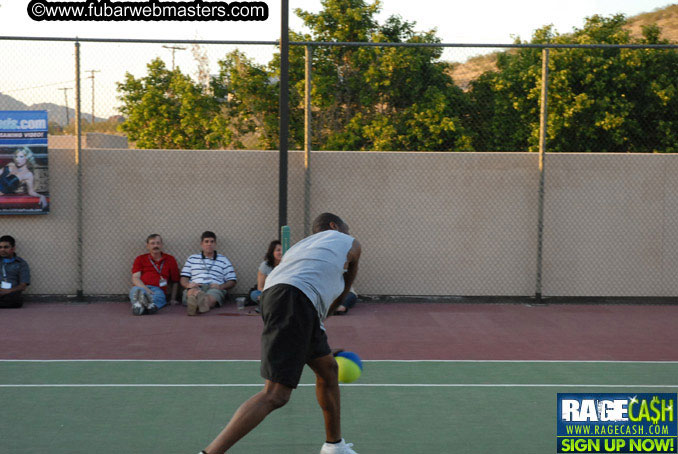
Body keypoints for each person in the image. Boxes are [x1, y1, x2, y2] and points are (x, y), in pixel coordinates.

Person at [198, 213, 362, 454]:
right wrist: (343, 290)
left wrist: (314, 343)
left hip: (286, 298)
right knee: (276, 394)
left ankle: (334, 446)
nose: (348, 233)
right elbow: (348, 276)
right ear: (333, 226)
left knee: (328, 369)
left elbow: (306, 293)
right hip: (293, 300)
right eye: (345, 228)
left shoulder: (303, 248)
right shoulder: (346, 240)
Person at [181, 231, 237, 316]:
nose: (209, 244)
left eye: (212, 242)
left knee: (211, 295)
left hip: (214, 287)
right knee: (192, 291)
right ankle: (200, 303)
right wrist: (188, 285)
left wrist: (221, 286)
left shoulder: (224, 260)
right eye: (206, 241)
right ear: (201, 244)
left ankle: (195, 304)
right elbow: (184, 277)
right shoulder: (192, 258)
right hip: (197, 285)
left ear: (215, 244)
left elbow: (232, 280)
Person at [129, 233, 180, 316]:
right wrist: (145, 289)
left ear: (162, 245)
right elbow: (135, 278)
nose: (155, 245)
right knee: (136, 292)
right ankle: (148, 305)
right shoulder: (140, 259)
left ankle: (140, 306)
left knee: (159, 297)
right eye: (152, 243)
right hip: (141, 287)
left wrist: (173, 299)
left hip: (158, 290)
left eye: (158, 243)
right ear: (147, 246)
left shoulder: (170, 259)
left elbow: (175, 280)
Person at [0, 235, 30, 309]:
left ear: (13, 248)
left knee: (15, 299)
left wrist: (8, 291)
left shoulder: (21, 264)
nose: (2, 250)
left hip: (11, 294)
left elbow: (23, 286)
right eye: (0, 247)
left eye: (6, 247)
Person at [249, 240, 282, 304]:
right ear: (272, 252)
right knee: (254, 294)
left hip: (283, 292)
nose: (281, 252)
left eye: (283, 250)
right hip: (268, 292)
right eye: (278, 250)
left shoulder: (288, 264)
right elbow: (260, 287)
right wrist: (272, 294)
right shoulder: (265, 265)